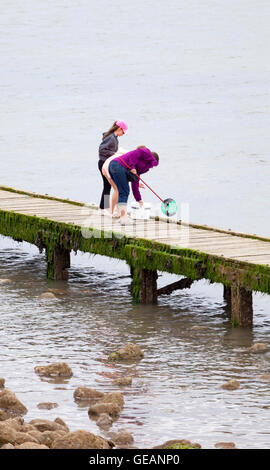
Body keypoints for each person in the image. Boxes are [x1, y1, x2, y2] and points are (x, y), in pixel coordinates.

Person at [108, 147, 159, 225]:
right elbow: (134, 154)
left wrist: (139, 200)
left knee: (122, 191)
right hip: (117, 165)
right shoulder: (146, 152)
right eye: (153, 165)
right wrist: (132, 167)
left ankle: (121, 215)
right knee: (124, 192)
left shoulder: (142, 168)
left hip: (114, 166)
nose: (152, 167)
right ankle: (123, 217)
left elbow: (135, 182)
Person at [98, 120, 128, 214]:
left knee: (108, 186)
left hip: (106, 163)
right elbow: (102, 149)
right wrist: (115, 154)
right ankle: (103, 209)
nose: (123, 134)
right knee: (108, 186)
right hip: (103, 163)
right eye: (123, 132)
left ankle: (104, 208)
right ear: (119, 129)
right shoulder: (111, 138)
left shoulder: (114, 137)